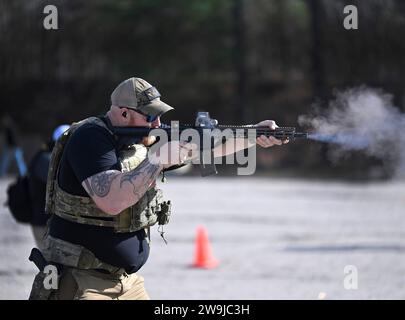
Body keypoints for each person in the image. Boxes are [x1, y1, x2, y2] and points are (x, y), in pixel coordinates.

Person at [28, 77, 287, 300]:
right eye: (150, 115)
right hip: (81, 281)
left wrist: (254, 134)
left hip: (126, 283)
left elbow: (212, 147)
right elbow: (112, 200)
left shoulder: (144, 136)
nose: (157, 123)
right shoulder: (89, 138)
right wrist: (157, 160)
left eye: (159, 114)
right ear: (123, 113)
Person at [5, 124, 70, 249]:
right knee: (49, 264)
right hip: (43, 222)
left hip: (50, 222)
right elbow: (58, 184)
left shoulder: (51, 156)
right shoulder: (46, 159)